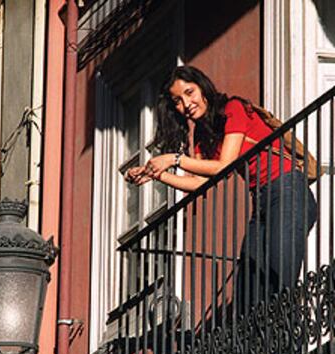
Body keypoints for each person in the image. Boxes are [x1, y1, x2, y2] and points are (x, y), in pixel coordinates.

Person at [125, 65, 317, 308]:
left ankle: (291, 341)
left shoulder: (233, 109)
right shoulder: (205, 138)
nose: (186, 103)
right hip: (261, 202)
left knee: (279, 274)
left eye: (189, 92)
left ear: (202, 87)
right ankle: (262, 343)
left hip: (288, 189)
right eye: (178, 100)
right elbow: (199, 183)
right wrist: (158, 175)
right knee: (249, 288)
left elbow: (224, 165)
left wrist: (174, 159)